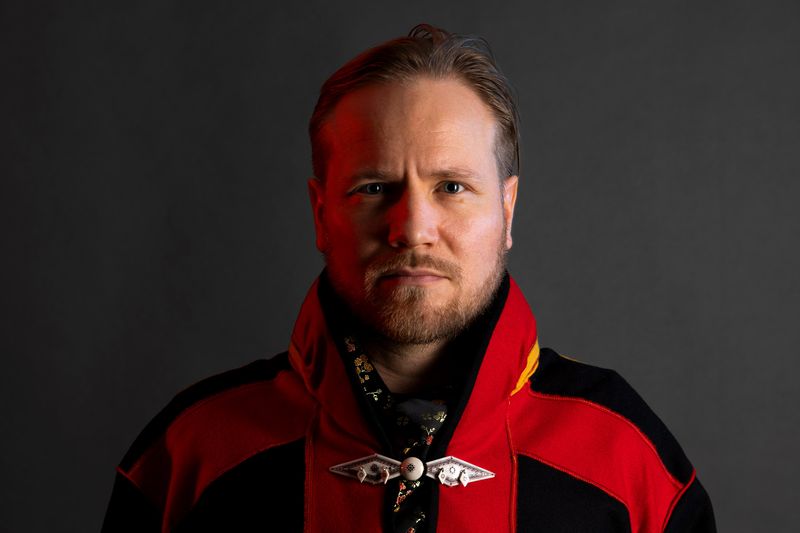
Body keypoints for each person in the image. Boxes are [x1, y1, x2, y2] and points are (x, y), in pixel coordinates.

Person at [102, 24, 716, 532]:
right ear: (321, 215)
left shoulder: (625, 454)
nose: (413, 228)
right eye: (374, 188)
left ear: (507, 211)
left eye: (452, 186)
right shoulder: (191, 453)